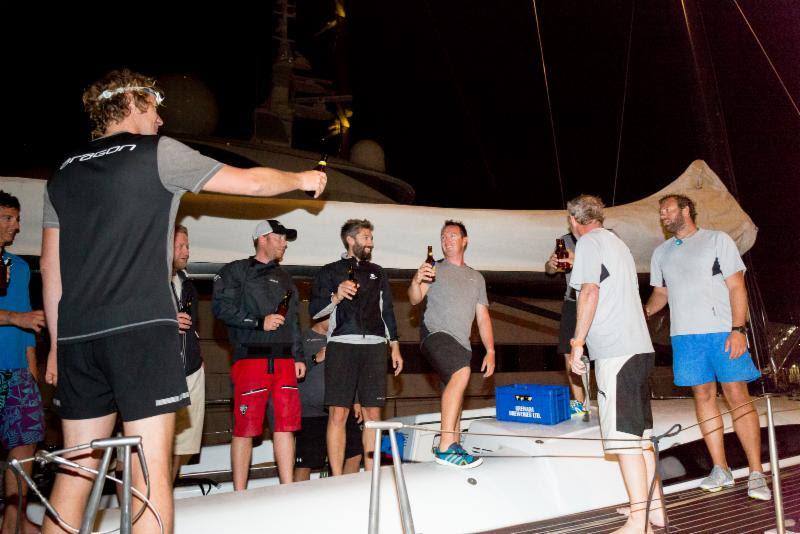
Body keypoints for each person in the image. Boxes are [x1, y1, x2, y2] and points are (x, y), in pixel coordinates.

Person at [41, 69, 325, 534]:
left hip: (77, 339)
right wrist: (301, 178)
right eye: (154, 107)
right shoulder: (158, 154)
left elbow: (52, 270)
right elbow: (252, 183)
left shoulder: (63, 173)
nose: (160, 119)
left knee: (76, 472)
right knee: (151, 479)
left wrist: (57, 345)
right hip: (141, 333)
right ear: (133, 104)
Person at [646, 194, 770, 500]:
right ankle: (720, 469)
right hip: (685, 337)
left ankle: (756, 473)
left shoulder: (718, 240)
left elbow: (736, 285)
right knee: (703, 396)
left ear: (686, 210)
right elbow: (661, 294)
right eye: (661, 212)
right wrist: (643, 311)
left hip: (722, 332)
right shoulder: (660, 253)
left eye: (668, 210)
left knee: (736, 394)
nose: (663, 216)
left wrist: (738, 329)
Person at [566, 195, 662, 534]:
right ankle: (655, 511)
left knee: (624, 441)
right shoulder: (617, 243)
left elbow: (589, 292)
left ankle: (639, 523)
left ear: (573, 220)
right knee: (640, 438)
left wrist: (577, 343)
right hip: (639, 349)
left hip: (616, 353)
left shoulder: (590, 243)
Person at [212, 220, 305, 488]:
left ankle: (287, 487)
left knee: (286, 426)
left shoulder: (287, 278)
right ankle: (239, 492)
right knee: (245, 428)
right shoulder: (235, 271)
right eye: (280, 238)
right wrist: (258, 321)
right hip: (250, 360)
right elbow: (220, 308)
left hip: (285, 362)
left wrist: (298, 356)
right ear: (263, 238)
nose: (285, 243)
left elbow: (294, 321)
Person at [309, 219, 403, 475]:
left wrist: (394, 345)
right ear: (350, 240)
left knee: (373, 415)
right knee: (338, 414)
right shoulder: (329, 271)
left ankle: (372, 475)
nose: (370, 242)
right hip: (341, 345)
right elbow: (315, 310)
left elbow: (388, 312)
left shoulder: (378, 272)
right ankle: (337, 477)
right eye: (365, 237)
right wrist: (336, 296)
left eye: (371, 237)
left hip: (374, 346)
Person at [407, 220, 495, 468]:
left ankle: (454, 446)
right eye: (443, 237)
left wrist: (490, 350)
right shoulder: (433, 268)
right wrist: (416, 280)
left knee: (455, 393)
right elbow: (415, 299)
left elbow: (483, 317)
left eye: (453, 236)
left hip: (461, 344)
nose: (447, 240)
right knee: (462, 373)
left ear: (465, 241)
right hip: (435, 334)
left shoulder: (476, 278)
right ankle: (445, 447)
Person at [0, 190, 46, 534]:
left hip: (17, 372)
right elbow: (22, 317)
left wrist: (33, 370)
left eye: (17, 220)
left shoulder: (19, 266)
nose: (15, 227)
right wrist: (16, 318)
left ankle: (14, 520)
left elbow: (31, 323)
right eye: (7, 219)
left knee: (25, 443)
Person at [293, 318, 363, 481]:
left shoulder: (341, 339)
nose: (335, 319)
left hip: (341, 406)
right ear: (320, 315)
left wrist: (357, 399)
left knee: (355, 454)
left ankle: (344, 493)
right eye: (331, 315)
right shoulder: (302, 340)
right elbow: (291, 372)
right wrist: (315, 358)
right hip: (310, 414)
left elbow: (352, 371)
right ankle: (297, 502)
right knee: (305, 463)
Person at [170, 225, 204, 481]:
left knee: (182, 445)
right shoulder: (146, 282)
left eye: (187, 245)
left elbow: (193, 324)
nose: (186, 251)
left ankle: (165, 496)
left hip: (191, 370)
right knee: (144, 446)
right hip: (158, 374)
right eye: (180, 246)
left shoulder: (187, 283)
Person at [545, 231, 587, 416]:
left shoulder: (604, 236)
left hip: (599, 299)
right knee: (567, 351)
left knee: (601, 351)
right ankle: (579, 402)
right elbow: (550, 270)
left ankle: (606, 397)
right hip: (572, 301)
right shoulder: (565, 239)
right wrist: (551, 264)